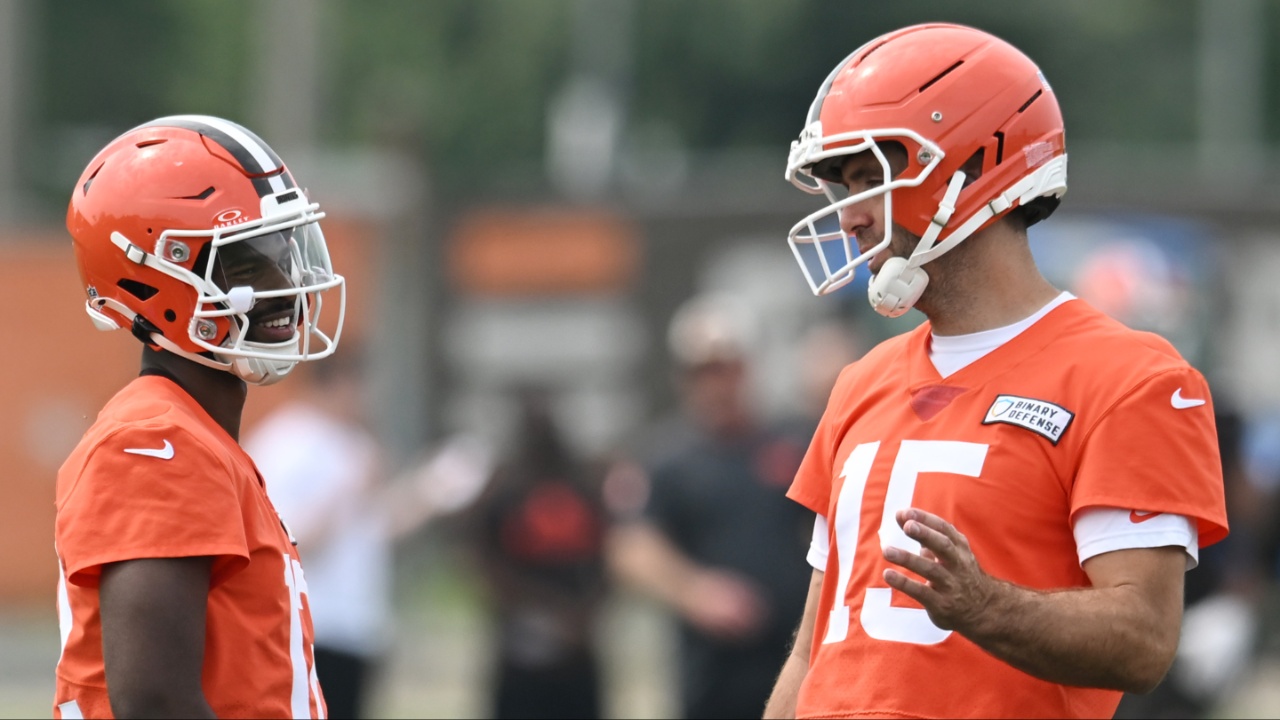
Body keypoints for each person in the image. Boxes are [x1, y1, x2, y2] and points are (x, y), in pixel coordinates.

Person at [764, 24, 1229, 720]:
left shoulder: (1129, 378)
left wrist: (986, 606)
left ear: (972, 167)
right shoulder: (861, 382)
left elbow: (1144, 641)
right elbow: (816, 649)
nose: (850, 216)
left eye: (868, 179)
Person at [53, 115, 344, 719]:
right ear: (149, 277)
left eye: (285, 253)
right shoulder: (155, 441)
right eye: (245, 265)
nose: (285, 286)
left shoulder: (199, 437)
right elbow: (155, 702)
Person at [244, 350, 494, 719]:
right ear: (334, 384)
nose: (366, 398)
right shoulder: (287, 442)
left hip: (357, 625)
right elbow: (283, 540)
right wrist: (347, 486)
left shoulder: (354, 445)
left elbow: (375, 530)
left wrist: (435, 489)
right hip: (310, 625)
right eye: (359, 385)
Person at [607, 293, 813, 720]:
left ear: (747, 368)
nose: (715, 383)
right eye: (702, 371)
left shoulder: (794, 441)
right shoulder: (667, 458)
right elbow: (631, 547)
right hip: (712, 671)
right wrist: (696, 591)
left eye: (725, 367)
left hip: (797, 655)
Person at [469, 389, 608, 720]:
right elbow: (481, 558)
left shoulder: (583, 485)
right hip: (520, 647)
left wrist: (585, 612)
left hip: (578, 651)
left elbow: (609, 555)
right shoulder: (503, 489)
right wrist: (538, 608)